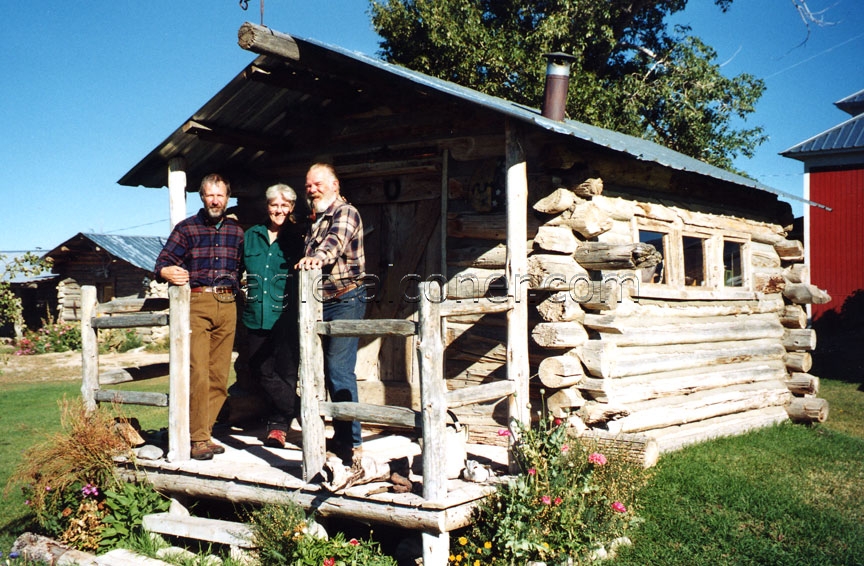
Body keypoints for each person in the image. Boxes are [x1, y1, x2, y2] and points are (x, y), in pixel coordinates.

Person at [155, 173, 244, 461]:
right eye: (210, 195)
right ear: (202, 197)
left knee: (219, 374)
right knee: (198, 372)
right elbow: (163, 261)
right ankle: (198, 437)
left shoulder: (236, 232)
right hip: (198, 301)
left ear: (227, 198)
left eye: (220, 195)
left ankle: (201, 433)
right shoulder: (187, 228)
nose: (215, 200)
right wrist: (166, 271)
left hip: (228, 301)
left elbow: (244, 266)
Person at [295, 163, 366, 464]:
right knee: (319, 371)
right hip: (320, 302)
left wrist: (316, 259)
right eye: (309, 185)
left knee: (339, 371)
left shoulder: (345, 212)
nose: (312, 189)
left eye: (318, 184)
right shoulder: (316, 220)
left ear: (335, 184)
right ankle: (338, 437)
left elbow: (334, 243)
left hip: (346, 298)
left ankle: (353, 444)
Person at [241, 184, 303, 449]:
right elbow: (235, 268)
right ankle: (305, 410)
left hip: (287, 317)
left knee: (287, 372)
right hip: (256, 315)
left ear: (291, 208)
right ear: (267, 207)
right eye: (274, 205)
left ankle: (278, 429)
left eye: (284, 205)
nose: (279, 210)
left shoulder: (298, 237)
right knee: (260, 370)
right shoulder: (251, 235)